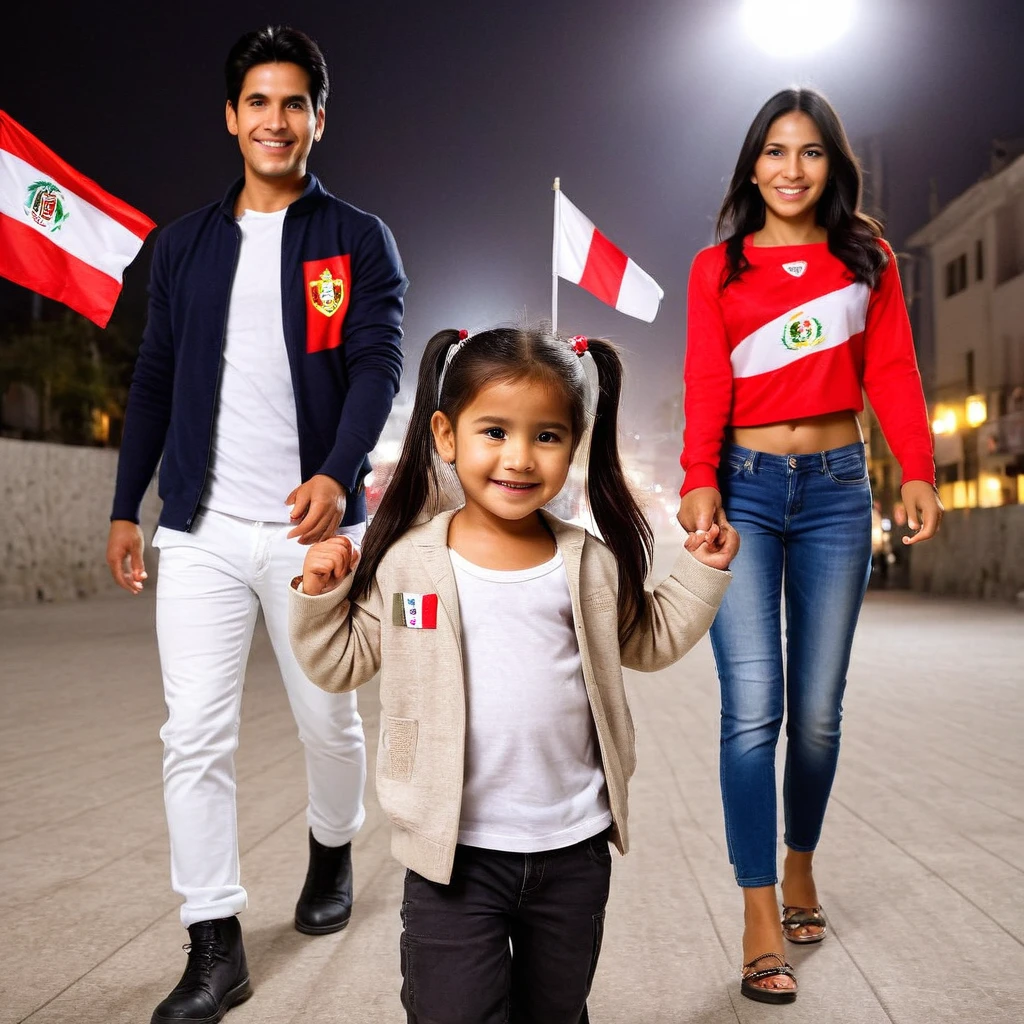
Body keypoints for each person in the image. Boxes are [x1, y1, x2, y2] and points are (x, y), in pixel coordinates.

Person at [288, 326, 737, 1023]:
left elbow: (646, 641)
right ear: (446, 435)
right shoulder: (411, 562)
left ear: (575, 442)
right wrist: (321, 596)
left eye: (547, 436)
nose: (519, 458)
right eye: (493, 431)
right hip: (453, 856)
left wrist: (700, 572)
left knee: (555, 1013)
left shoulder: (587, 561)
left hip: (573, 851)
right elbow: (340, 663)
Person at [104, 25, 407, 1024]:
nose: (274, 121)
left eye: (294, 104)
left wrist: (335, 473)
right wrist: (126, 505)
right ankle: (214, 941)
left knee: (330, 718)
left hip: (313, 534)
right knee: (192, 734)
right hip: (198, 526)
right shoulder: (184, 244)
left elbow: (376, 363)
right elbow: (151, 378)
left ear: (319, 119)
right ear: (230, 117)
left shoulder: (355, 239)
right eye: (257, 103)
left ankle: (331, 843)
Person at [678, 88, 943, 1004]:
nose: (793, 169)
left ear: (833, 165)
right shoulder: (718, 268)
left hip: (837, 494)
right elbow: (708, 379)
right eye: (776, 152)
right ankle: (759, 916)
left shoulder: (866, 262)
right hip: (744, 493)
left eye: (812, 153)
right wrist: (697, 478)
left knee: (818, 714)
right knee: (752, 710)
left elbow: (894, 369)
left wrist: (918, 465)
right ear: (752, 165)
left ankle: (800, 864)